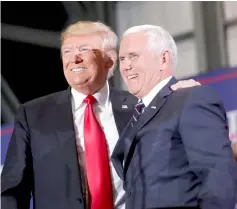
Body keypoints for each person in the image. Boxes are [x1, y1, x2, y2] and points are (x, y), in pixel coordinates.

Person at [1, 21, 200, 209]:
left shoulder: (140, 107)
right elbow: (13, 189)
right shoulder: (34, 115)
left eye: (84, 50)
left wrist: (182, 96)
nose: (74, 58)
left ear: (109, 60)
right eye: (67, 52)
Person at [111, 25, 237, 209]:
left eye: (133, 56)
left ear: (164, 59)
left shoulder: (191, 99)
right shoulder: (138, 113)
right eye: (122, 58)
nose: (126, 66)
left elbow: (218, 176)